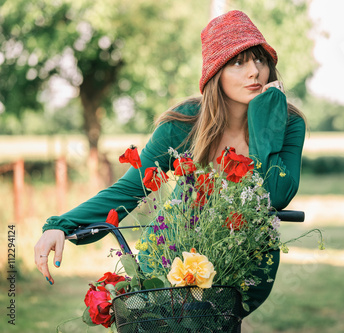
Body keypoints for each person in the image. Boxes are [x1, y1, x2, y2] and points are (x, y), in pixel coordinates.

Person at [34, 10, 306, 316]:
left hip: (242, 262)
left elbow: (277, 193)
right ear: (216, 72)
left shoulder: (289, 124)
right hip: (171, 257)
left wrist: (264, 121)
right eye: (238, 62)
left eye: (260, 60)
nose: (255, 72)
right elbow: (130, 188)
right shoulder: (186, 122)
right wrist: (60, 225)